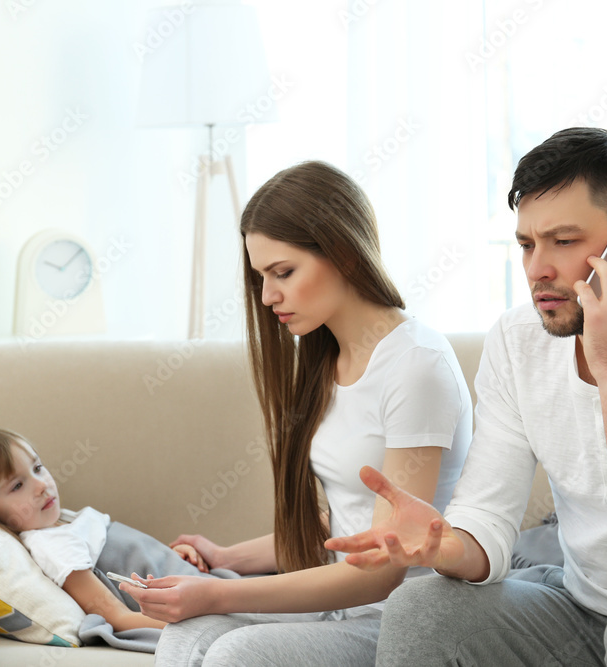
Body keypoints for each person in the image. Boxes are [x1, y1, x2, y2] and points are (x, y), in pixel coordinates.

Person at [327, 127, 607, 665]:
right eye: (527, 243)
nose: (536, 269)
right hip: (586, 608)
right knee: (423, 608)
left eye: (564, 242)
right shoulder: (516, 339)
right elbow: (487, 514)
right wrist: (443, 545)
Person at [121, 160, 473, 666]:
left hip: (404, 619)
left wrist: (217, 592)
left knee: (235, 656)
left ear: (345, 254)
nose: (267, 297)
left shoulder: (416, 366)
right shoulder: (327, 359)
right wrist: (225, 559)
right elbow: (346, 522)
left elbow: (381, 568)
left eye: (283, 272)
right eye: (261, 276)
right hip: (342, 610)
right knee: (184, 637)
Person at [0, 426, 239, 634]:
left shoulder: (63, 520)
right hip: (197, 612)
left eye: (37, 468)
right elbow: (116, 615)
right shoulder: (53, 546)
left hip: (198, 584)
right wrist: (201, 625)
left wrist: (171, 561)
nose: (41, 485)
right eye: (17, 485)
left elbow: (127, 559)